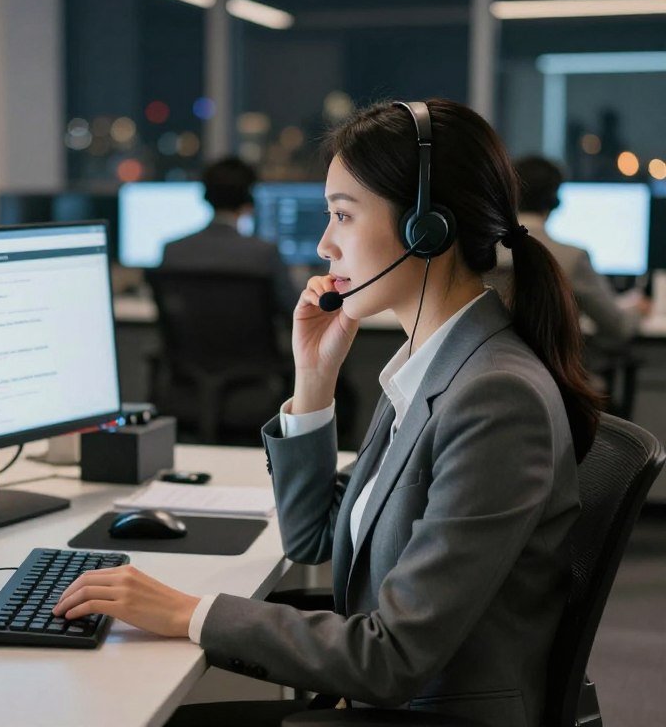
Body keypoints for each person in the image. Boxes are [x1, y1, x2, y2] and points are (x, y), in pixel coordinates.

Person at [53, 99, 600, 727]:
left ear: (427, 228)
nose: (323, 244)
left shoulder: (495, 397)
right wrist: (314, 380)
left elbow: (393, 656)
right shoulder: (431, 368)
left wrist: (188, 613)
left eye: (342, 215)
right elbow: (315, 538)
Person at [493, 155, 651, 349]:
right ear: (555, 201)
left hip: (493, 366)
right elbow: (618, 327)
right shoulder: (572, 258)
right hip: (553, 375)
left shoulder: (485, 251)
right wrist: (638, 310)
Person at [160, 156, 299, 315]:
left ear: (206, 196)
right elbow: (294, 312)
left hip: (188, 341)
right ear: (249, 201)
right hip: (251, 340)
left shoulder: (172, 251)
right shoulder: (265, 253)